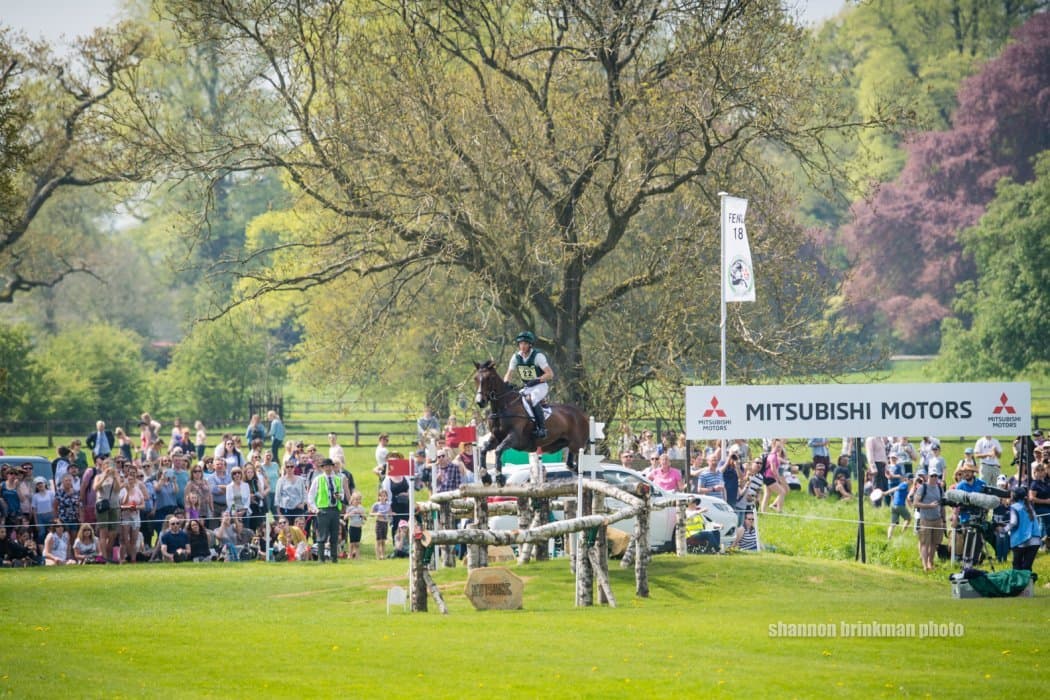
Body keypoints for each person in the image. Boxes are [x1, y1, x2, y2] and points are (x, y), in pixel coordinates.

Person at [503, 330, 553, 438]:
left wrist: (537, 380)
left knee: (532, 399)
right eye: (521, 343)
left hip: (540, 386)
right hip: (528, 387)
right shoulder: (516, 357)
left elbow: (550, 374)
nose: (522, 346)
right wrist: (505, 384)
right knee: (516, 400)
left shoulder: (538, 356)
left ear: (530, 345)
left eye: (525, 343)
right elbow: (509, 373)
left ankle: (542, 429)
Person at [307, 458, 350, 563]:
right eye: (326, 466)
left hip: (335, 509)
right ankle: (321, 558)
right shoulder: (318, 479)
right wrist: (315, 509)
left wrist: (339, 496)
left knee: (334, 535)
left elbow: (342, 493)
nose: (328, 468)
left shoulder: (338, 479)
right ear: (323, 468)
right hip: (323, 510)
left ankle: (334, 558)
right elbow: (311, 496)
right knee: (322, 535)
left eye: (330, 466)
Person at [913, 470, 945, 572]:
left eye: (936, 476)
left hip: (937, 519)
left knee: (934, 543)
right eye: (932, 476)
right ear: (928, 477)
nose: (934, 478)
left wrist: (944, 520)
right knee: (924, 543)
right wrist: (929, 506)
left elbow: (942, 505)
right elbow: (915, 503)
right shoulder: (923, 487)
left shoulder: (940, 488)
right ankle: (924, 566)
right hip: (925, 520)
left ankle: (930, 563)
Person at [1008, 487, 1042, 571]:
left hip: (1022, 540)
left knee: (1017, 566)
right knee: (1027, 567)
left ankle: (1019, 580)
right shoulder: (1030, 507)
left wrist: (1002, 530)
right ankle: (1029, 579)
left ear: (1014, 496)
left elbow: (1013, 523)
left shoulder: (1014, 507)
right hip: (1035, 541)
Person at [118, 468, 147, 564]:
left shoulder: (138, 490)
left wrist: (136, 507)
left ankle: (133, 559)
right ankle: (123, 558)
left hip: (135, 516)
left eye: (132, 479)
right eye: (128, 479)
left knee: (134, 539)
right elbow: (121, 504)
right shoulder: (123, 490)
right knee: (125, 539)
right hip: (125, 516)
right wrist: (127, 492)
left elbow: (143, 505)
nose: (130, 481)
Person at [30, 476, 55, 544]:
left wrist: (55, 517)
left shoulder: (51, 493)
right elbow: (34, 510)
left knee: (51, 533)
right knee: (41, 533)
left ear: (45, 484)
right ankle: (42, 548)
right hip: (40, 517)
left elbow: (54, 505)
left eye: (41, 483)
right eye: (38, 484)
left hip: (50, 515)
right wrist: (36, 523)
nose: (40, 485)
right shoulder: (35, 496)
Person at [887, 474, 912, 538]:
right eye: (911, 480)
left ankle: (889, 537)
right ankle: (902, 534)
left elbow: (907, 498)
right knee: (909, 518)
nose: (912, 481)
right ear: (907, 479)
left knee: (893, 523)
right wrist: (885, 493)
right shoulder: (904, 485)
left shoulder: (904, 485)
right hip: (900, 506)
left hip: (894, 506)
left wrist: (910, 506)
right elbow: (895, 488)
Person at [343, 492, 366, 560]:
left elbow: (365, 518)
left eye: (359, 499)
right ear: (352, 500)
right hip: (352, 527)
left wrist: (361, 514)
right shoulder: (350, 508)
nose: (357, 501)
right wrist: (351, 513)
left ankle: (357, 556)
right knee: (352, 543)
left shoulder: (361, 508)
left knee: (357, 543)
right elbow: (345, 517)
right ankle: (350, 555)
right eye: (356, 499)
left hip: (359, 527)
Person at [371, 489, 392, 559]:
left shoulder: (388, 505)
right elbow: (371, 514)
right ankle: (378, 555)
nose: (382, 497)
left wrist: (391, 514)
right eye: (381, 496)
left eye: (384, 496)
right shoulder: (376, 504)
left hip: (385, 524)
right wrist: (377, 513)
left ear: (386, 497)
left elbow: (390, 513)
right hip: (379, 523)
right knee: (378, 540)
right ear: (378, 497)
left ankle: (382, 555)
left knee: (383, 540)